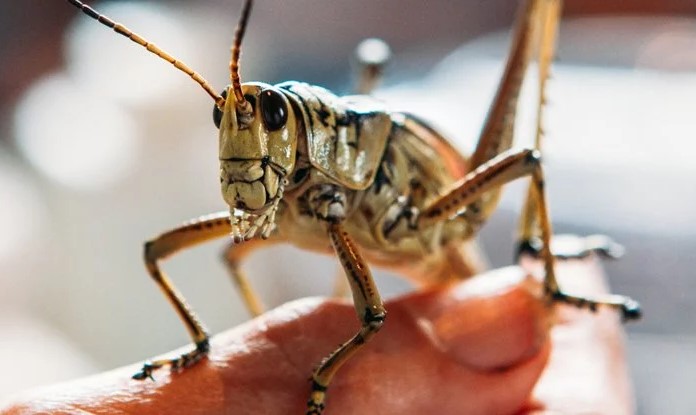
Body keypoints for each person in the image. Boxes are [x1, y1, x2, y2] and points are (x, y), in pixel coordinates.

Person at [0, 257, 633, 414]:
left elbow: (373, 314)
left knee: (523, 162)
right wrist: (223, 356)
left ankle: (548, 271)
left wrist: (318, 373)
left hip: (437, 211)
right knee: (221, 255)